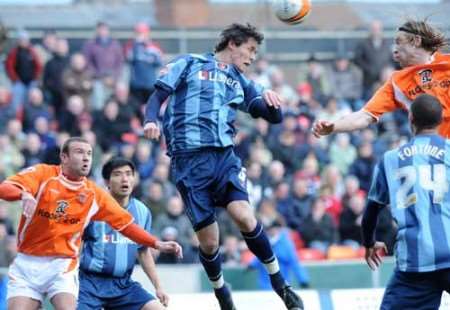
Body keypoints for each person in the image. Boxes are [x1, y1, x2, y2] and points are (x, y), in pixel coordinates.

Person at [143, 23, 303, 310]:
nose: (253, 56)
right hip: (189, 161)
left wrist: (274, 103)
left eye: (256, 52)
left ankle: (281, 284)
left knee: (244, 216)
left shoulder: (240, 80)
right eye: (250, 49)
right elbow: (157, 97)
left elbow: (272, 117)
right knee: (209, 242)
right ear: (233, 43)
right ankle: (220, 290)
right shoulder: (189, 63)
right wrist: (151, 119)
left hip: (223, 158)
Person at [0, 137, 182, 310]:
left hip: (63, 264)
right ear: (64, 157)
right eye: (79, 152)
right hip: (28, 261)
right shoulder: (43, 174)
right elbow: (4, 188)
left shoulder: (94, 195)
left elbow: (126, 226)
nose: (86, 157)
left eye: (89, 153)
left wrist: (156, 243)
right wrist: (23, 195)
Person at [362, 94, 450, 309]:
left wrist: (369, 242)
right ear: (441, 120)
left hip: (416, 261)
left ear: (410, 118)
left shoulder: (391, 159)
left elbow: (371, 210)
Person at [313, 18, 449, 139]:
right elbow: (364, 116)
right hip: (433, 152)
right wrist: (334, 126)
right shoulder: (398, 82)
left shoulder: (447, 63)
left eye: (399, 43)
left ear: (416, 41)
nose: (394, 51)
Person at [78, 157, 169, 310]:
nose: (124, 179)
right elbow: (76, 245)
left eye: (128, 174)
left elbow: (143, 252)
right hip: (89, 285)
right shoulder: (92, 208)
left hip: (123, 286)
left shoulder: (142, 212)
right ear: (107, 181)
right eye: (118, 174)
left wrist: (159, 287)